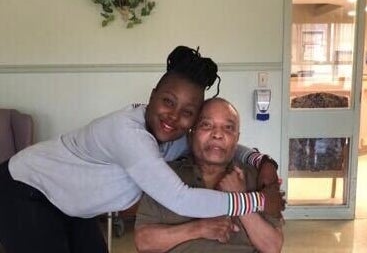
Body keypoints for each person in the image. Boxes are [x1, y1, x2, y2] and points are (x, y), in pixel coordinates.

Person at [0, 46, 283, 253]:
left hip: (70, 206)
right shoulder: (127, 133)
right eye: (168, 102)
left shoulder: (175, 137)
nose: (173, 116)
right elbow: (180, 199)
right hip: (24, 189)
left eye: (188, 112)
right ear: (152, 97)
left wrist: (262, 161)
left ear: (193, 122)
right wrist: (258, 201)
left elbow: (215, 144)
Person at [134, 98, 284, 253]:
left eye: (228, 127)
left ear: (236, 138)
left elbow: (272, 247)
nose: (218, 134)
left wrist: (240, 198)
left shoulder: (255, 178)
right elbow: (143, 241)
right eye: (206, 125)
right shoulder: (165, 175)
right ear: (191, 134)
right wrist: (199, 229)